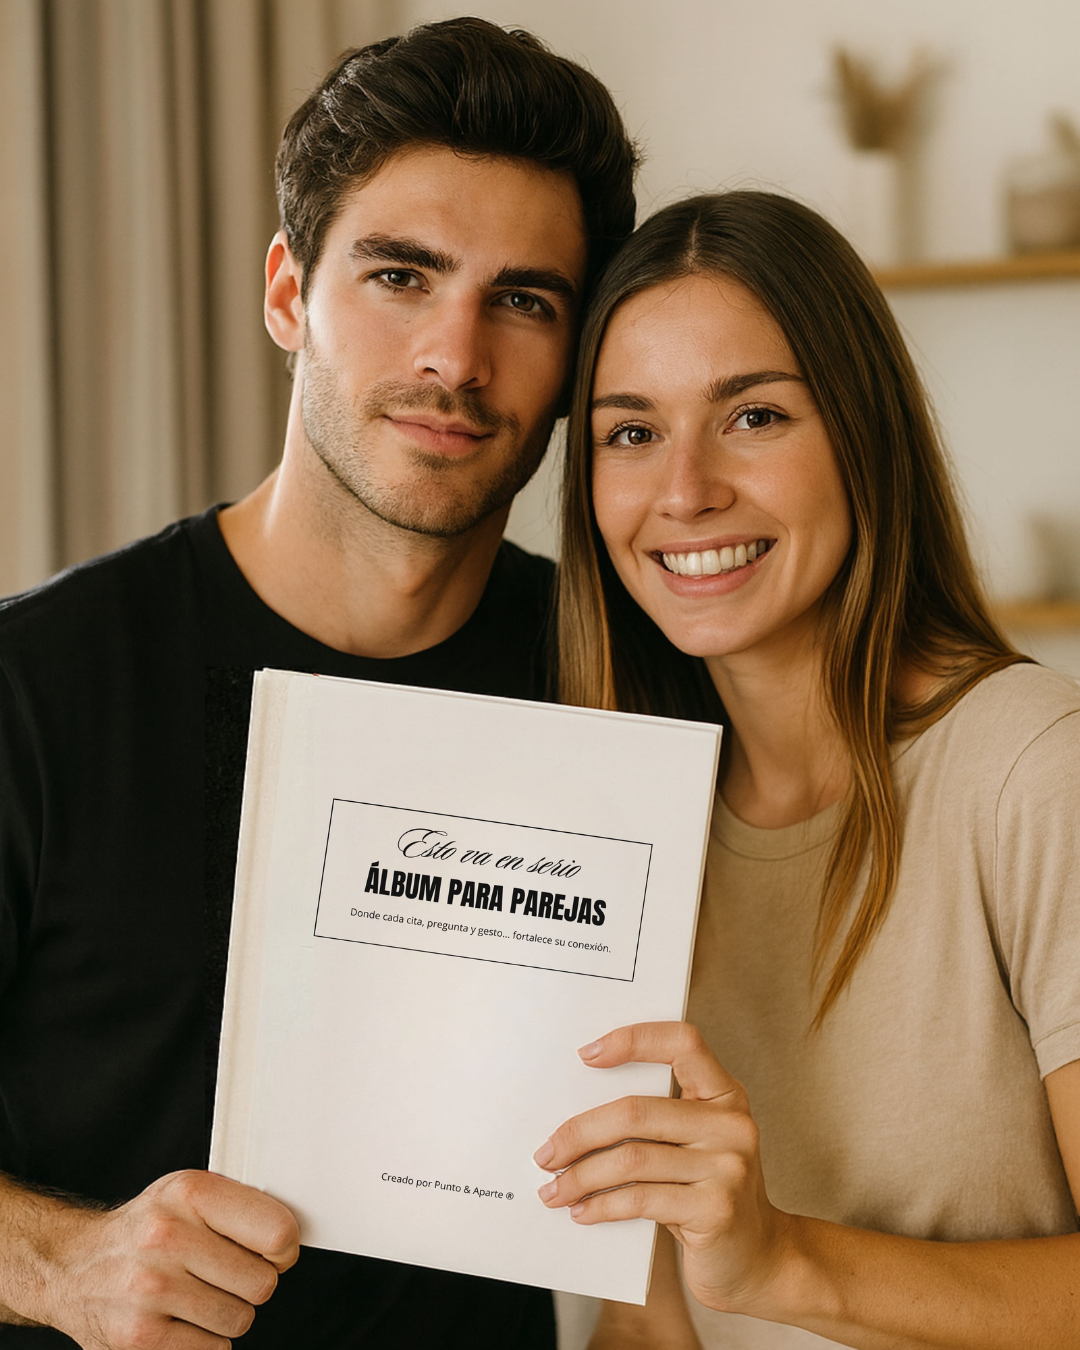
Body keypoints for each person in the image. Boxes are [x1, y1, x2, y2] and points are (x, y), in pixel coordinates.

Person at [0, 18, 638, 1348]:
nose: (455, 359)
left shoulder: (624, 681)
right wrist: (66, 1263)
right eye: (402, 276)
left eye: (524, 300)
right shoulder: (33, 686)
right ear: (288, 291)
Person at [538, 191, 1080, 1347]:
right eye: (630, 432)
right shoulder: (625, 828)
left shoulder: (1035, 770)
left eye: (754, 417)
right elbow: (653, 1327)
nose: (684, 492)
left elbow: (757, 1270)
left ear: (862, 431)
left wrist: (786, 1262)